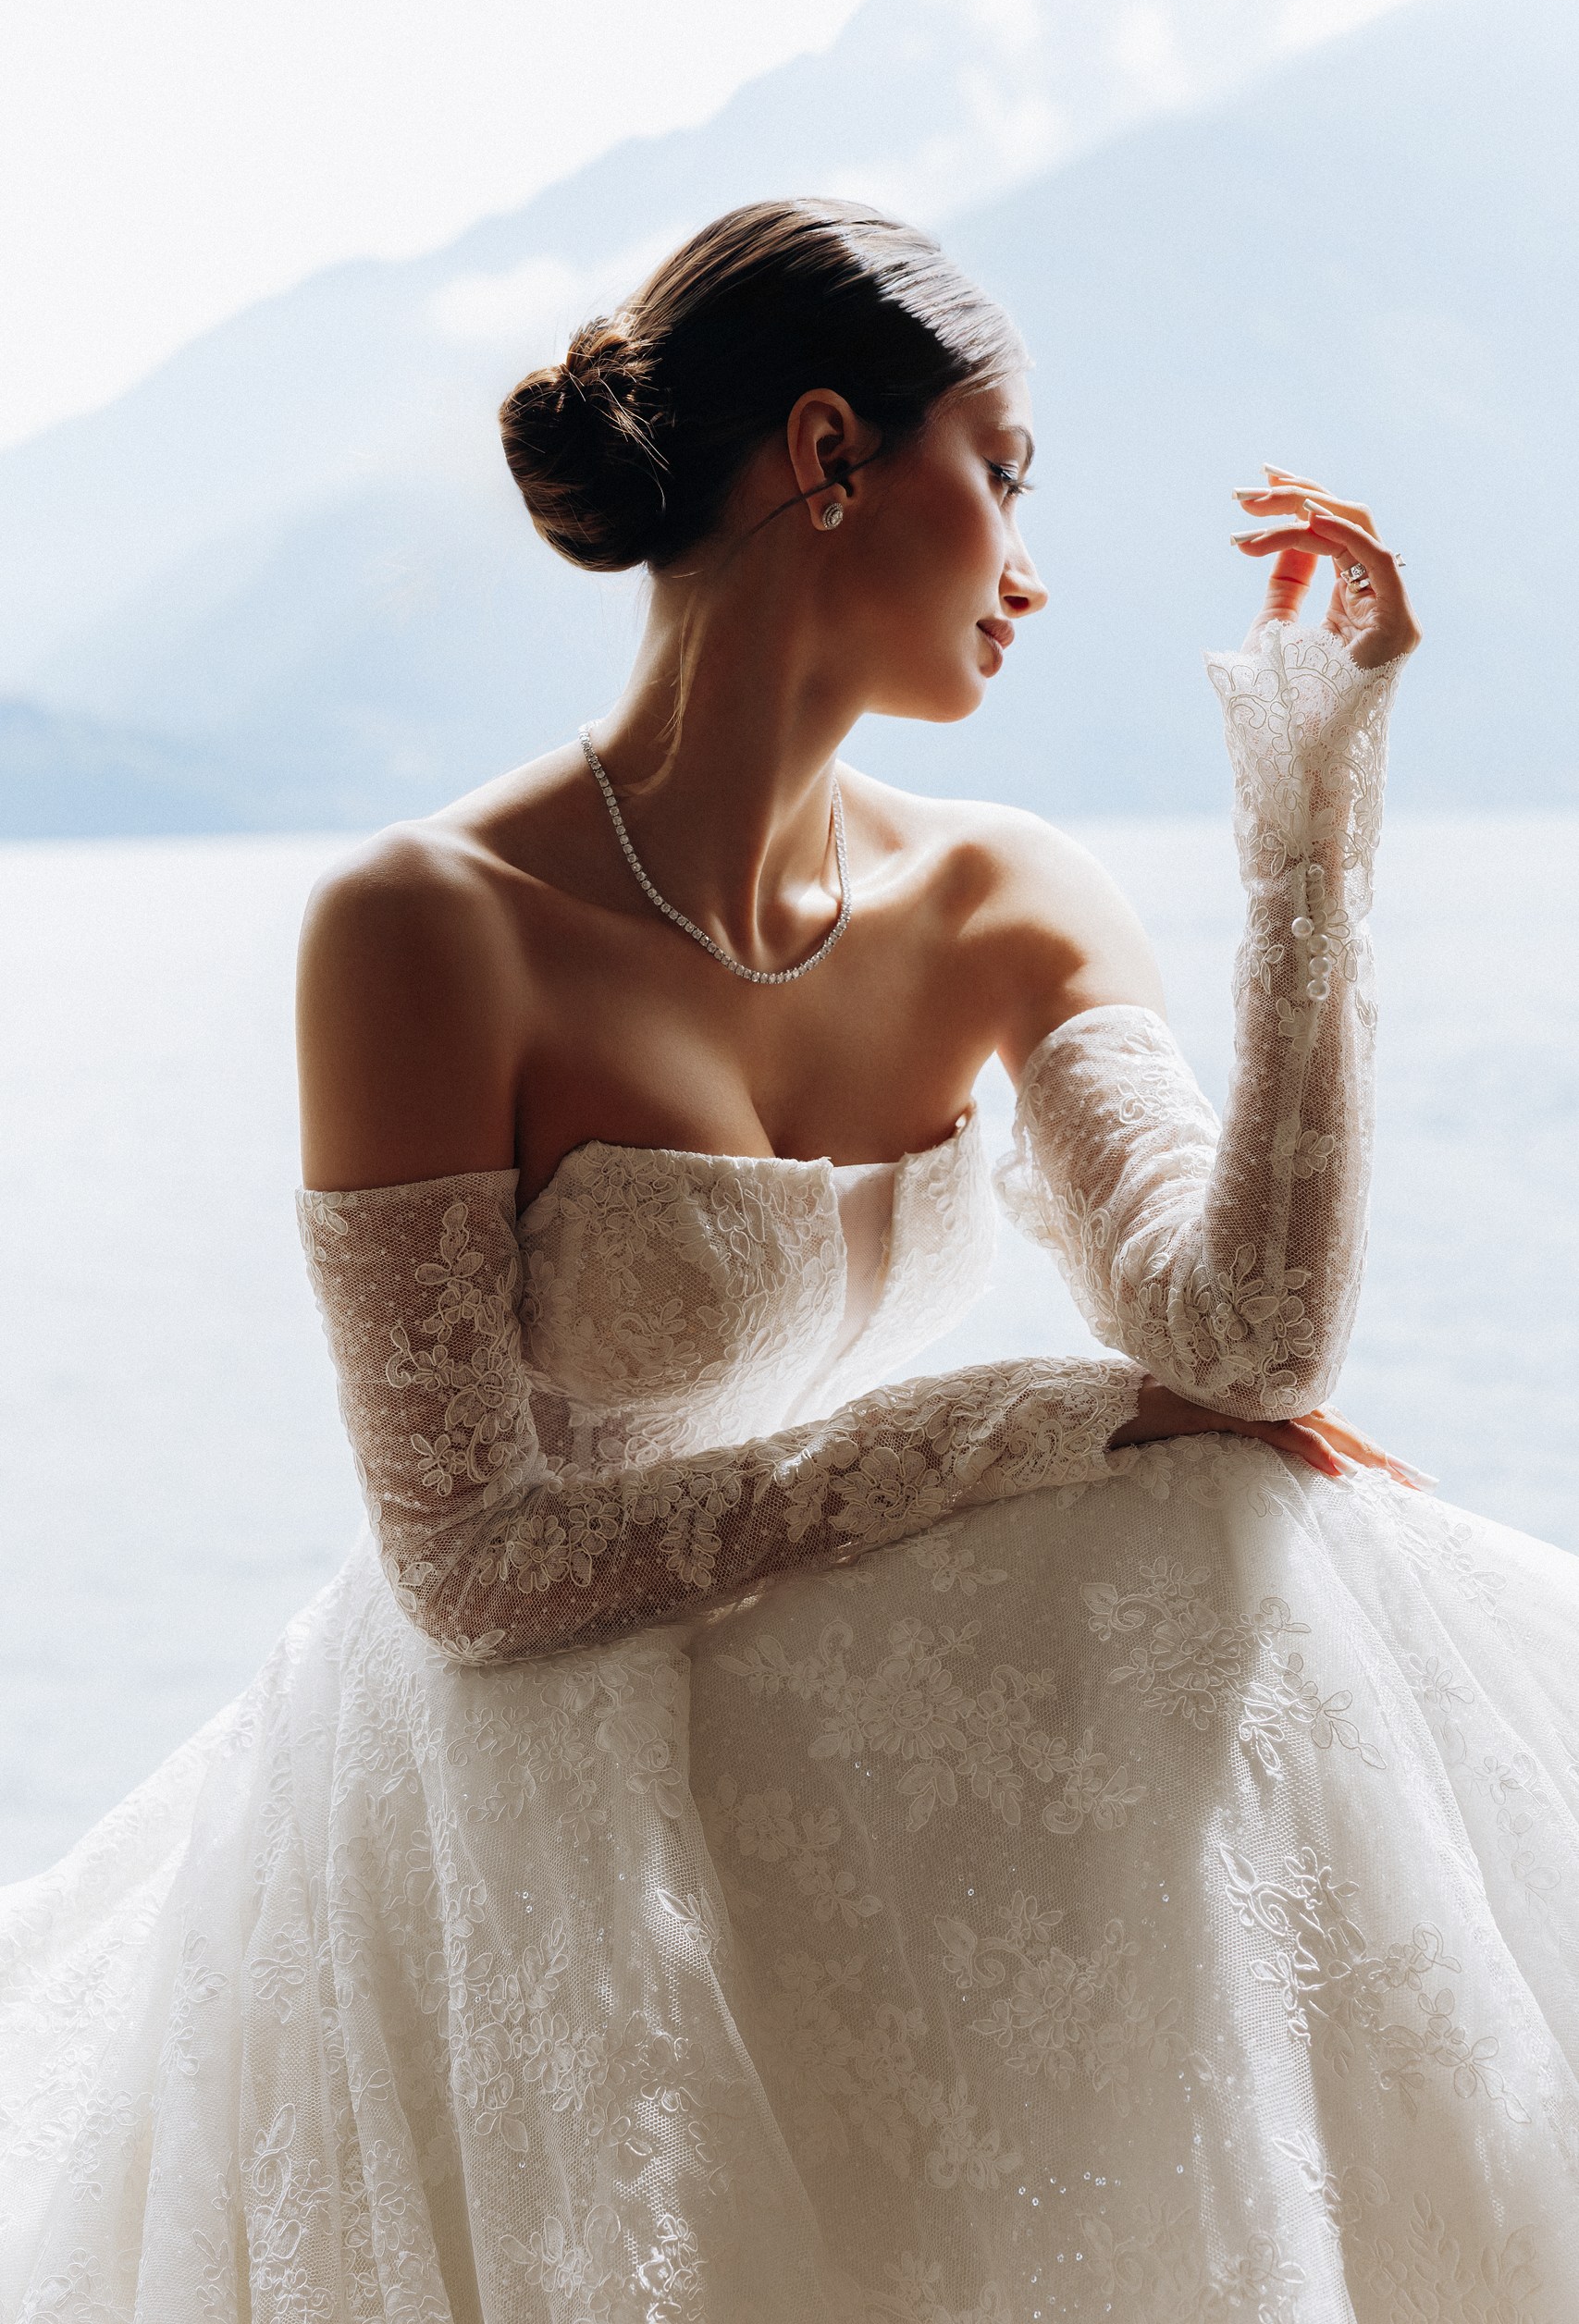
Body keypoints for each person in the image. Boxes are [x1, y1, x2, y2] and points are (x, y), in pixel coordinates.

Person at [4, 197, 1576, 2322]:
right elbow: (470, 1560)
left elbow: (1247, 1347)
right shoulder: (423, 924)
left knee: (1230, 1512)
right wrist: (1041, 1416)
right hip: (536, 1763)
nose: (1031, 568)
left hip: (831, 1722)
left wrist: (1308, 829)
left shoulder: (1007, 894)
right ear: (827, 456)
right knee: (1160, 1477)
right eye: (998, 475)